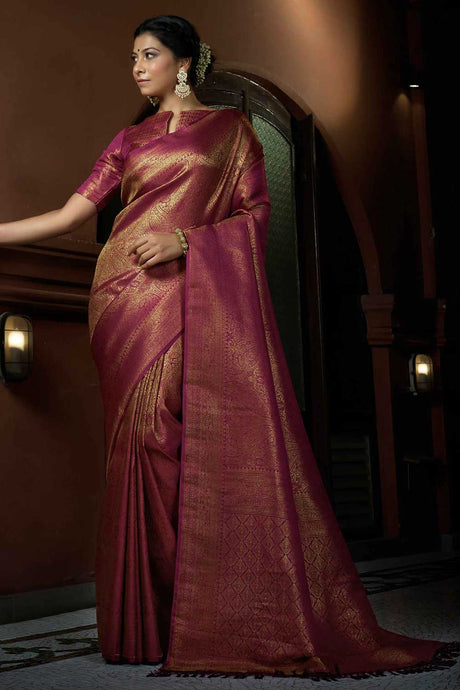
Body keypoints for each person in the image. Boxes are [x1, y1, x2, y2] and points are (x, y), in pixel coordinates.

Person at [1, 13, 459, 681]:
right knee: (136, 445)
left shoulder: (231, 132)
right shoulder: (129, 140)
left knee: (169, 438)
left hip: (187, 290)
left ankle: (195, 613)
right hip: (122, 298)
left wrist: (186, 241)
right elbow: (72, 215)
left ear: (184, 62)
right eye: (134, 57)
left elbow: (255, 215)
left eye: (149, 55)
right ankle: (144, 624)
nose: (137, 67)